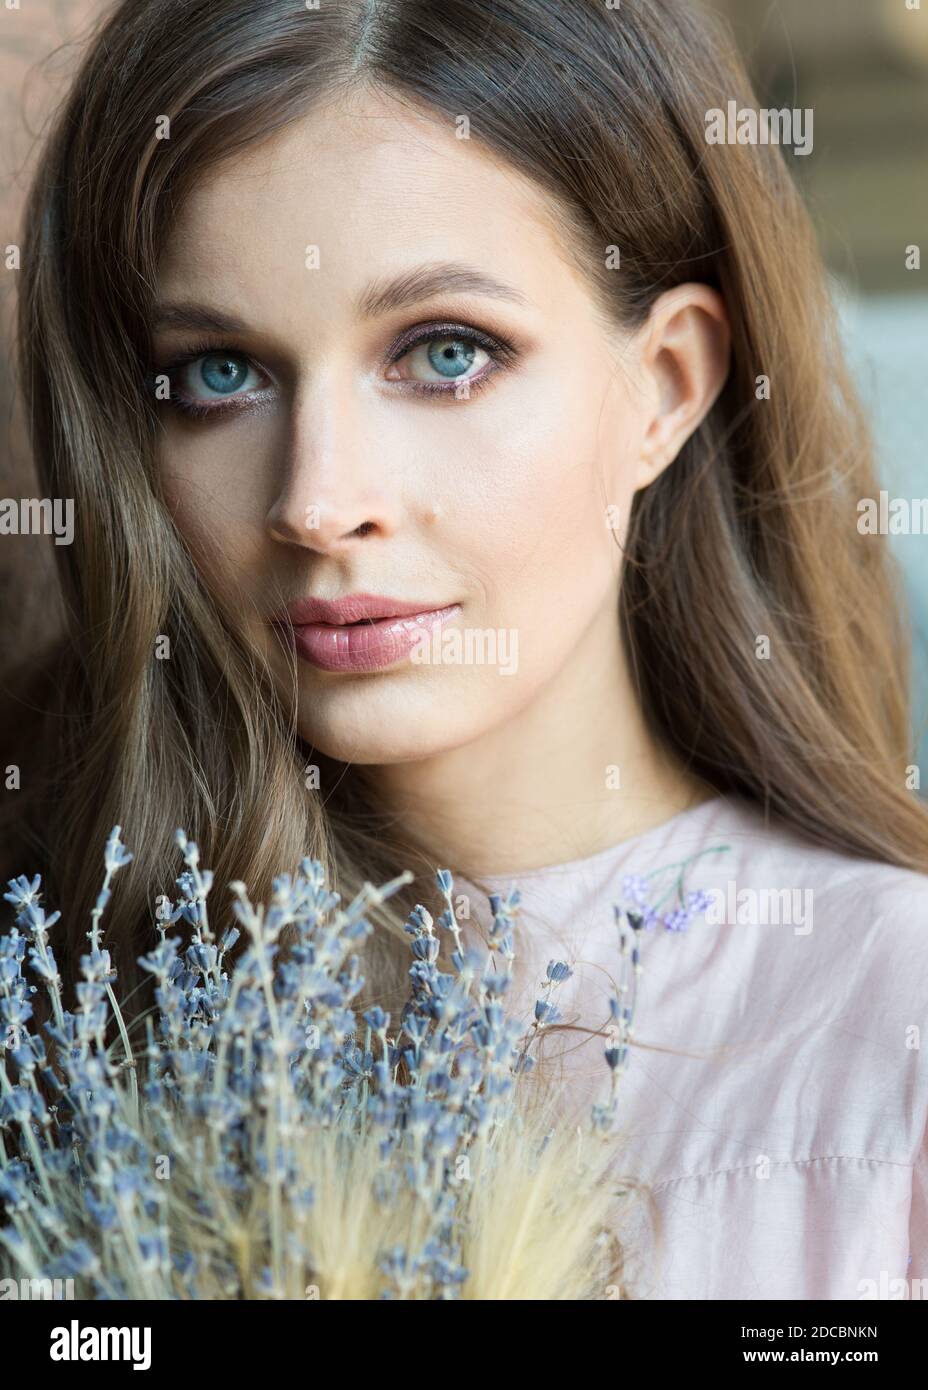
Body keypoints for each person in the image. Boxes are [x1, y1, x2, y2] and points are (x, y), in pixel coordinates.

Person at [2, 0, 926, 1299]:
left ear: (665, 384)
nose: (318, 499)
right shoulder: (67, 1017)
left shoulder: (895, 1023)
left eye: (445, 353)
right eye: (220, 375)